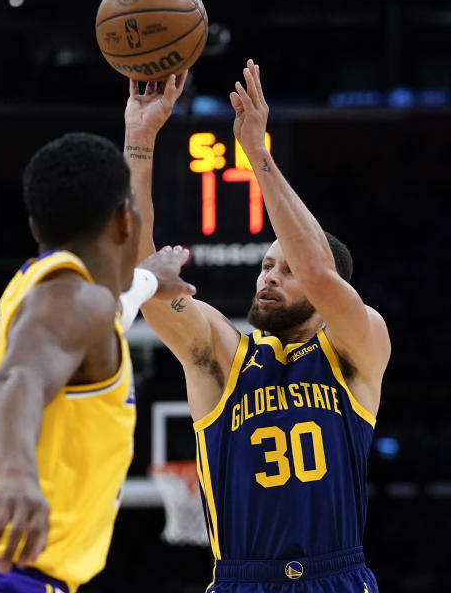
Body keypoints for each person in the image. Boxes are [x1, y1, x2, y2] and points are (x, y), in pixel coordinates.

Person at [129, 61, 391, 592]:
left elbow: (318, 271)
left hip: (335, 575)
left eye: (285, 268)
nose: (269, 277)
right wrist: (139, 142)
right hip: (241, 580)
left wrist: (257, 154)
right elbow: (141, 273)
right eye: (266, 266)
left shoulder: (358, 347)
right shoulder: (224, 354)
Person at [0, 128, 194, 593]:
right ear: (124, 220)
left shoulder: (49, 293)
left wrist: (149, 279)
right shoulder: (74, 300)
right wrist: (16, 476)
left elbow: (114, 306)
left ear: (36, 227)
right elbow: (19, 381)